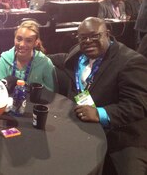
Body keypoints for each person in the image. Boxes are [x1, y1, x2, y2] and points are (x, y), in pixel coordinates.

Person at [57, 17, 147, 175]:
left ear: (107, 34)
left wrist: (100, 113)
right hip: (84, 128)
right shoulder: (78, 53)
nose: (88, 41)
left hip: (121, 135)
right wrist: (36, 55)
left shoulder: (130, 62)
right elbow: (62, 59)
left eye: (94, 36)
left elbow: (137, 106)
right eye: (83, 38)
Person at [0, 20, 56, 92]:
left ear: (36, 43)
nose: (22, 44)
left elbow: (51, 94)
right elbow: (1, 90)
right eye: (19, 39)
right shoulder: (4, 59)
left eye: (28, 41)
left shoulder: (45, 63)